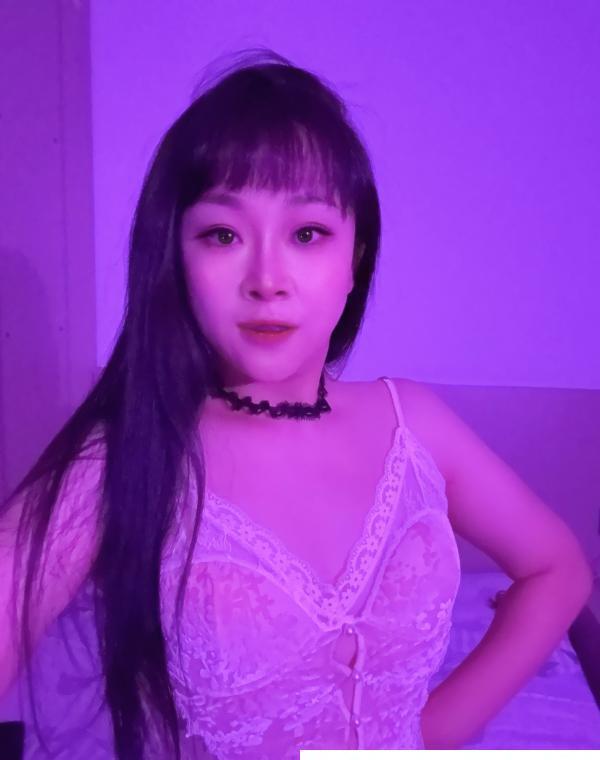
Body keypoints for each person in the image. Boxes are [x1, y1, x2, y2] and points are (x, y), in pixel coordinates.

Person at [0, 47, 593, 760]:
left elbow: (557, 569)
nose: (267, 279)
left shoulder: (414, 424)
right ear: (176, 259)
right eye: (222, 234)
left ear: (355, 259)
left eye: (307, 234)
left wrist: (435, 732)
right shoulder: (127, 452)